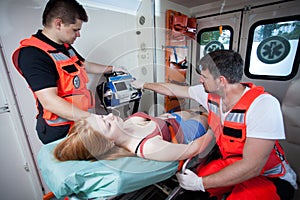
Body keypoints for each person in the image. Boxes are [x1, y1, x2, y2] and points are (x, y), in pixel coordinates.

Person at [131, 50, 297, 200]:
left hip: (266, 176)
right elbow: (172, 89)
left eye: (204, 76)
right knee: (191, 192)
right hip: (230, 161)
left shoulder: (263, 105)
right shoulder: (211, 94)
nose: (200, 80)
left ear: (221, 81)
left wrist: (200, 182)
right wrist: (143, 84)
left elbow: (252, 166)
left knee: (208, 187)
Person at [12, 0, 125, 144]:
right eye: (75, 29)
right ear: (58, 23)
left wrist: (113, 69)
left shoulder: (64, 46)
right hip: (60, 132)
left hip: (79, 123)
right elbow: (50, 102)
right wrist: (93, 120)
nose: (78, 35)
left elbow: (83, 65)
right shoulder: (33, 54)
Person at [53, 110, 208, 162]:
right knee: (206, 115)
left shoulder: (123, 125)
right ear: (109, 143)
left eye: (102, 116)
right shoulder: (148, 147)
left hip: (170, 118)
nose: (111, 115)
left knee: (196, 109)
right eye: (107, 124)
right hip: (185, 132)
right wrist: (215, 130)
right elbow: (192, 149)